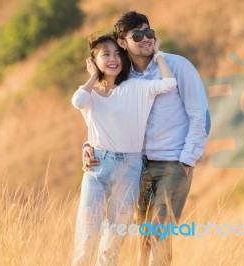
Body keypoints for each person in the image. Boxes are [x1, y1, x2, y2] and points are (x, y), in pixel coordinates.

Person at [82, 12, 211, 266]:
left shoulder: (177, 66)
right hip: (136, 166)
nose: (146, 39)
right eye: (137, 35)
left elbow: (200, 117)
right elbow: (101, 119)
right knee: (145, 238)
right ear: (122, 42)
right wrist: (87, 146)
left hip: (173, 163)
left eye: (149, 33)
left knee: (157, 231)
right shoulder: (121, 77)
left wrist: (187, 160)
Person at [71, 32, 177, 266]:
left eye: (118, 54)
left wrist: (158, 53)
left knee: (112, 243)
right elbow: (77, 102)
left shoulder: (135, 87)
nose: (113, 59)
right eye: (105, 54)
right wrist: (93, 77)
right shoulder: (89, 94)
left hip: (129, 168)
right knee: (86, 239)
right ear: (93, 61)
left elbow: (169, 83)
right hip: (97, 166)